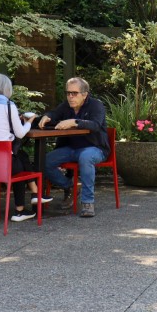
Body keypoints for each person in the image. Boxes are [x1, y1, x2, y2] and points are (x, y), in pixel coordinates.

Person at [0, 73, 50, 222]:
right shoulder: (8, 105)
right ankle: (22, 208)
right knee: (18, 163)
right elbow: (19, 133)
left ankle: (34, 195)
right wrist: (29, 122)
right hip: (3, 163)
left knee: (21, 156)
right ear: (7, 89)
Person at [39, 77, 108, 218]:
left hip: (94, 148)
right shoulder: (66, 106)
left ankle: (88, 202)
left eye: (74, 93)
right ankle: (69, 187)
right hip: (71, 148)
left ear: (85, 94)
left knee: (85, 157)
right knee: (44, 161)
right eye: (68, 93)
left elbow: (95, 125)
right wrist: (47, 116)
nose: (70, 96)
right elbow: (54, 113)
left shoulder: (96, 105)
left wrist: (74, 122)